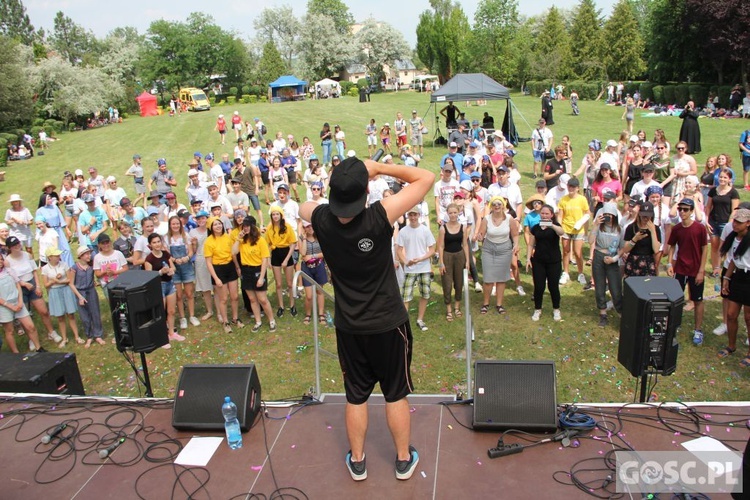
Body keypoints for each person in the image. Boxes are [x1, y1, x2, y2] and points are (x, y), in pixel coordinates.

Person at [299, 155, 433, 482]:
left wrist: (340, 181)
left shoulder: (323, 220)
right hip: (388, 323)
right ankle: (403, 459)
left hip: (350, 326)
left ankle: (357, 461)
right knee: (395, 393)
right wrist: (380, 168)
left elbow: (305, 205)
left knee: (355, 395)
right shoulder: (379, 215)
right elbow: (426, 178)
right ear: (364, 195)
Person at [666, 198, 709, 345]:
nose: (682, 212)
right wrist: (669, 264)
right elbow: (672, 246)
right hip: (680, 269)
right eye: (680, 209)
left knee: (697, 300)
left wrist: (701, 271)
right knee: (676, 299)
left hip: (695, 270)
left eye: (685, 209)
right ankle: (673, 326)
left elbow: (705, 249)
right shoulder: (677, 228)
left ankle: (698, 329)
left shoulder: (699, 228)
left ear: (691, 211)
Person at [475, 196, 519, 315]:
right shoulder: (487, 219)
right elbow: (481, 234)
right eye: (494, 204)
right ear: (491, 206)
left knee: (501, 278)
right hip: (489, 249)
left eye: (499, 204)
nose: (497, 206)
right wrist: (479, 236)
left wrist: (516, 245)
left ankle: (499, 304)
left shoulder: (509, 219)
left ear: (503, 205)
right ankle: (486, 303)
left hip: (504, 249)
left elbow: (515, 234)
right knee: (488, 278)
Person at [232, 215, 276, 333]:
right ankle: (258, 321)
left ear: (252, 226)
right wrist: (238, 239)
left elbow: (264, 259)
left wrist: (261, 277)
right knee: (252, 299)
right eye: (243, 226)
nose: (245, 228)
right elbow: (234, 252)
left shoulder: (260, 240)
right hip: (246, 271)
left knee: (262, 299)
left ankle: (271, 320)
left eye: (247, 226)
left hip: (257, 270)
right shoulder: (242, 240)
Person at [718, 208, 750, 368]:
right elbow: (732, 259)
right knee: (731, 314)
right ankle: (731, 345)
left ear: (748, 223)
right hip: (737, 277)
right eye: (735, 221)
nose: (735, 224)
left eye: (739, 222)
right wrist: (726, 278)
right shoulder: (733, 238)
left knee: (748, 318)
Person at [588, 203, 623, 327]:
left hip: (612, 258)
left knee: (615, 288)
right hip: (599, 256)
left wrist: (614, 259)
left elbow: (623, 249)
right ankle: (602, 313)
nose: (608, 217)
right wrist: (596, 225)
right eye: (605, 215)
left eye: (610, 215)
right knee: (600, 286)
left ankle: (620, 311)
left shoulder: (619, 229)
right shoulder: (600, 227)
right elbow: (590, 241)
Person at [0, 253, 43, 352]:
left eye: (1, 260)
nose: (0, 262)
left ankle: (38, 348)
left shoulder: (9, 271)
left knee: (30, 326)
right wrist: (10, 306)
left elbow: (18, 285)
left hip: (18, 302)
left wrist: (20, 301)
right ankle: (16, 353)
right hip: (4, 306)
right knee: (10, 331)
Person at [204, 217, 242, 333]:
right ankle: (225, 321)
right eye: (215, 224)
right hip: (218, 269)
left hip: (230, 266)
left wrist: (237, 267)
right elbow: (209, 263)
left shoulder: (228, 237)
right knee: (223, 298)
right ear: (211, 228)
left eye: (219, 224)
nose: (218, 226)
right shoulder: (209, 241)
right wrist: (216, 278)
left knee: (235, 296)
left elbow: (233, 254)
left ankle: (235, 318)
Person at [527, 204, 564, 321]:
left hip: (554, 261)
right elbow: (531, 243)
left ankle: (556, 309)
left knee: (553, 286)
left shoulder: (555, 226)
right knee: (539, 287)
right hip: (538, 261)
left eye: (547, 213)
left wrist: (551, 225)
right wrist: (528, 258)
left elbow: (561, 232)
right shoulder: (536, 227)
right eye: (542, 213)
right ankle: (537, 309)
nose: (544, 215)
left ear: (551, 215)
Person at [437, 203, 470, 321]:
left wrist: (467, 260)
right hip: (447, 256)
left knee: (459, 282)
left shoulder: (463, 227)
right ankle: (449, 309)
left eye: (455, 212)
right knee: (447, 282)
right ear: (447, 214)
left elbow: (465, 245)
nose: (452, 215)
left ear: (458, 213)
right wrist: (441, 262)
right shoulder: (443, 228)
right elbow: (440, 246)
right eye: (450, 213)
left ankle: (457, 307)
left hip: (459, 255)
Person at [706, 169, 740, 277]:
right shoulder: (713, 191)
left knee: (724, 247)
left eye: (725, 177)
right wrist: (706, 221)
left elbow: (735, 210)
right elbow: (708, 207)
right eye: (721, 177)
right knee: (714, 246)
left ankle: (725, 270)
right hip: (713, 222)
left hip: (725, 223)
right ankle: (715, 270)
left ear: (729, 179)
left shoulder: (733, 192)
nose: (722, 179)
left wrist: (729, 224)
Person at [265, 205, 297, 318]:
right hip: (275, 254)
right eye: (273, 214)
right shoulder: (269, 228)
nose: (275, 216)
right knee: (278, 284)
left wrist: (287, 259)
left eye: (277, 214)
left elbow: (293, 243)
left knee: (289, 283)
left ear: (281, 215)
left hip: (286, 252)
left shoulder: (287, 227)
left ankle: (292, 305)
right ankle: (281, 306)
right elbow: (267, 244)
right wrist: (268, 259)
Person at [557, 177, 589, 286]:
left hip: (578, 230)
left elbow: (587, 214)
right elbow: (560, 216)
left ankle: (581, 273)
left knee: (577, 252)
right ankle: (565, 272)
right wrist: (559, 229)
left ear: (577, 188)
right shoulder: (563, 199)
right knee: (565, 251)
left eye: (573, 187)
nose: (571, 188)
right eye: (569, 186)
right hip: (566, 228)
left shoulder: (582, 199)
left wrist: (585, 230)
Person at [69, 246, 104, 347]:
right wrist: (80, 297)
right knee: (85, 316)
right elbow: (71, 284)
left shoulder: (91, 266)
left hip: (91, 291)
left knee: (95, 313)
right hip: (80, 292)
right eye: (86, 254)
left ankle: (98, 334)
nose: (89, 256)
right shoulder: (75, 268)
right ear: (80, 256)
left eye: (89, 253)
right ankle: (89, 335)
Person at [298, 220, 329, 326]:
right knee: (309, 296)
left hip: (319, 266)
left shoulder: (320, 236)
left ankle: (321, 314)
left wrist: (312, 256)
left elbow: (325, 252)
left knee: (320, 291)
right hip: (307, 268)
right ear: (304, 228)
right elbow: (302, 253)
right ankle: (308, 314)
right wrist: (305, 239)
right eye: (307, 226)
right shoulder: (302, 238)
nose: (310, 228)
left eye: (311, 225)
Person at [621, 201, 661, 277]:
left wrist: (653, 231)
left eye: (648, 216)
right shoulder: (631, 227)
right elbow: (625, 249)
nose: (645, 219)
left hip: (648, 262)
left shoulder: (656, 229)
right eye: (643, 216)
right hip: (633, 260)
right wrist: (635, 239)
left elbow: (656, 250)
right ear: (639, 214)